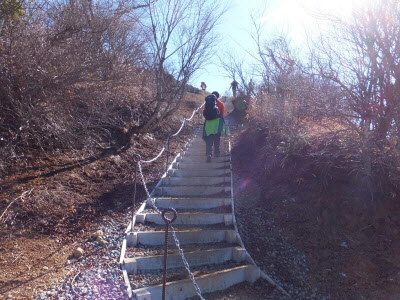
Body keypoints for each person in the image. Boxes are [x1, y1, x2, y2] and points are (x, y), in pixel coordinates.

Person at [203, 91, 225, 162]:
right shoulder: (221, 104)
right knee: (217, 137)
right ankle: (217, 152)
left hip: (208, 122)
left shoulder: (207, 104)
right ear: (218, 97)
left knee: (209, 138)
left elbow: (205, 112)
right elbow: (221, 114)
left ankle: (209, 153)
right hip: (217, 121)